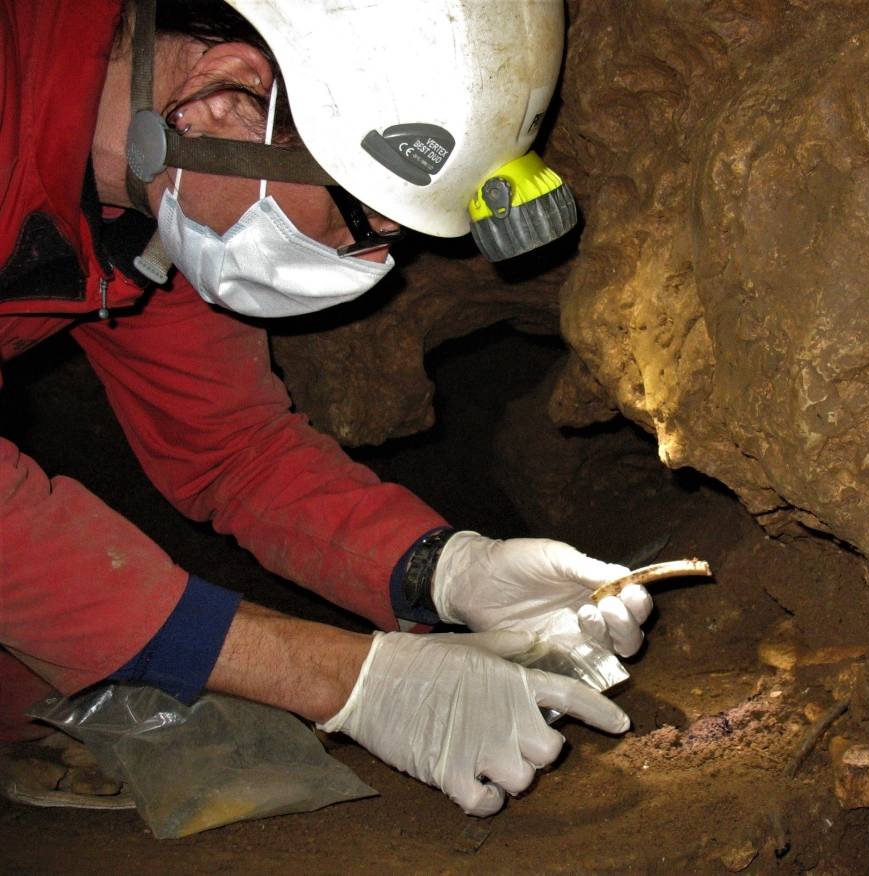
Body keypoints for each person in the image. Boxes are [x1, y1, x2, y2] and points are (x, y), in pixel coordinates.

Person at [0, 0, 652, 817]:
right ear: (228, 98)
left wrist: (445, 571)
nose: (374, 261)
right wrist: (350, 680)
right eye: (363, 214)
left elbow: (233, 451)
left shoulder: (157, 210)